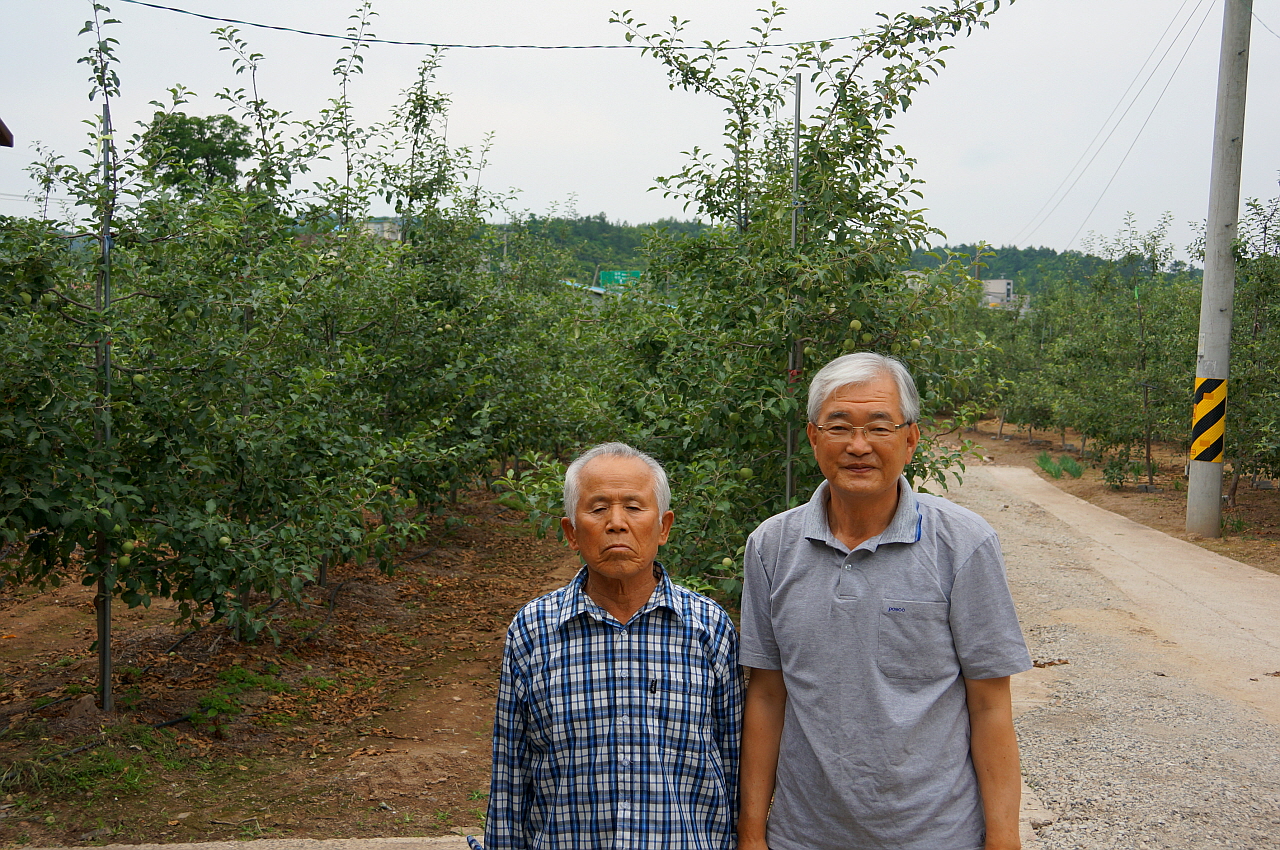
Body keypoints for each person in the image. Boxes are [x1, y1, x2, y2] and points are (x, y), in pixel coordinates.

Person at [738, 353, 1032, 850]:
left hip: (936, 835)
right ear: (813, 437)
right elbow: (767, 695)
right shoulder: (771, 547)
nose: (858, 446)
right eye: (839, 427)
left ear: (911, 439)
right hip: (803, 835)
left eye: (879, 427)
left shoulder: (964, 544)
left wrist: (1003, 839)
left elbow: (989, 705)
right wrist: (752, 834)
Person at [482, 442, 743, 850]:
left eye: (634, 508)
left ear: (664, 527)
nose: (616, 523)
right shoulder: (533, 630)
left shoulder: (708, 627)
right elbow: (511, 775)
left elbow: (734, 762)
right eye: (599, 508)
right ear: (571, 531)